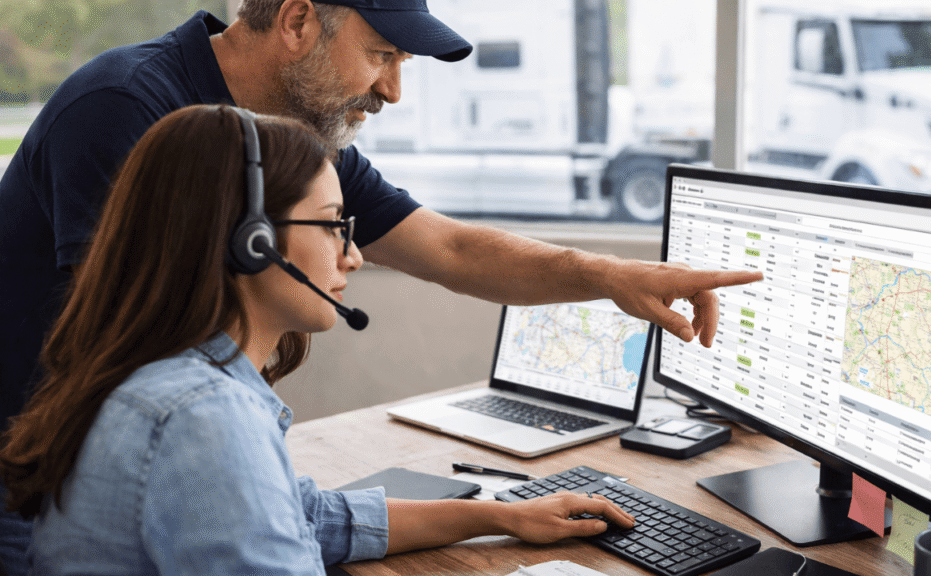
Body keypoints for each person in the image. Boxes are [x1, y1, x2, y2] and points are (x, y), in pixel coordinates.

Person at [0, 0, 762, 570]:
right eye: (382, 53)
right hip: (33, 477)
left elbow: (453, 249)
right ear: (298, 20)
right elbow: (132, 347)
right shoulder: (128, 111)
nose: (394, 90)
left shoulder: (290, 153)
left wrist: (612, 277)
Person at [0, 104, 637, 572]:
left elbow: (311, 519)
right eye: (334, 225)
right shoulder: (202, 416)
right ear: (248, 240)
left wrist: (502, 516)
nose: (353, 255)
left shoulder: (166, 374)